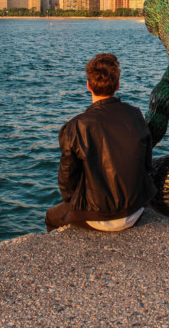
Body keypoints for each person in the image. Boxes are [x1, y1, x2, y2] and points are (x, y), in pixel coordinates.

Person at [45, 53, 156, 232]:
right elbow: (146, 164)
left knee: (51, 217)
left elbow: (67, 183)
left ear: (88, 85)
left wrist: (73, 202)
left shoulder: (76, 126)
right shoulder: (135, 115)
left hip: (96, 215)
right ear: (117, 85)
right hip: (135, 209)